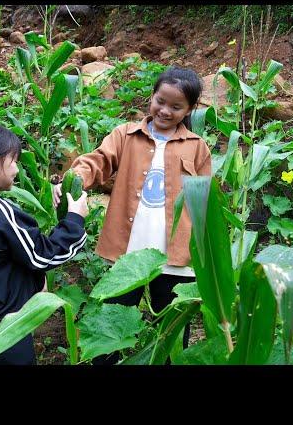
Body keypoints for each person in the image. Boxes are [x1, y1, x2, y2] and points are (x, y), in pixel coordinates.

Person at [52, 66, 210, 364]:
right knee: (109, 327)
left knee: (172, 338)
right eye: (160, 101)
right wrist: (72, 181)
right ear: (152, 96)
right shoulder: (125, 135)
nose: (165, 110)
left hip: (175, 260)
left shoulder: (197, 147)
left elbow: (205, 205)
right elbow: (97, 162)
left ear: (190, 109)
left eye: (176, 107)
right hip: (127, 257)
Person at [0, 121, 89, 365]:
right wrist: (74, 220)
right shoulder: (0, 212)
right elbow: (40, 255)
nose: (17, 169)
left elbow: (9, 256)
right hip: (6, 327)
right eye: (14, 161)